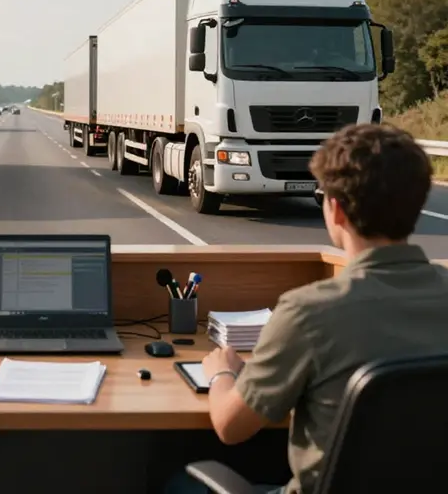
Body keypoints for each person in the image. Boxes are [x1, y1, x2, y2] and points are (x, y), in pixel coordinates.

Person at [166, 122, 448, 494]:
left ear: (336, 210)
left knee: (180, 485)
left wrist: (222, 373)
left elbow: (230, 427)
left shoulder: (311, 312)